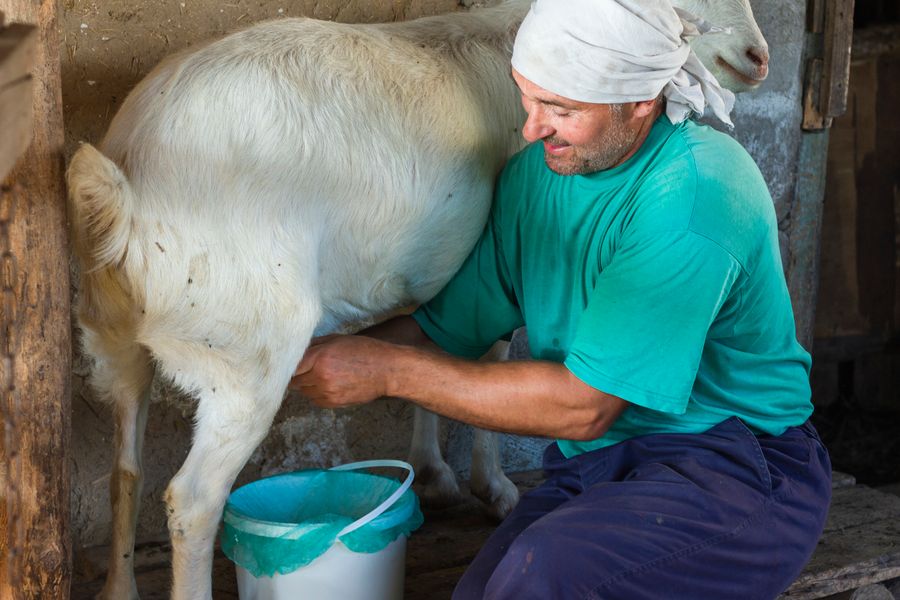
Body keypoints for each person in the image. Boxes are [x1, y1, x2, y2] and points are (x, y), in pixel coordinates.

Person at [289, 0, 832, 597]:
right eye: (527, 97)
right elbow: (446, 330)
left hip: (735, 469)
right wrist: (290, 363)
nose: (532, 127)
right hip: (599, 467)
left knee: (545, 574)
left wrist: (386, 371)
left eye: (561, 109)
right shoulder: (536, 177)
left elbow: (585, 407)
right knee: (491, 587)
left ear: (640, 101)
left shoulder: (697, 193)